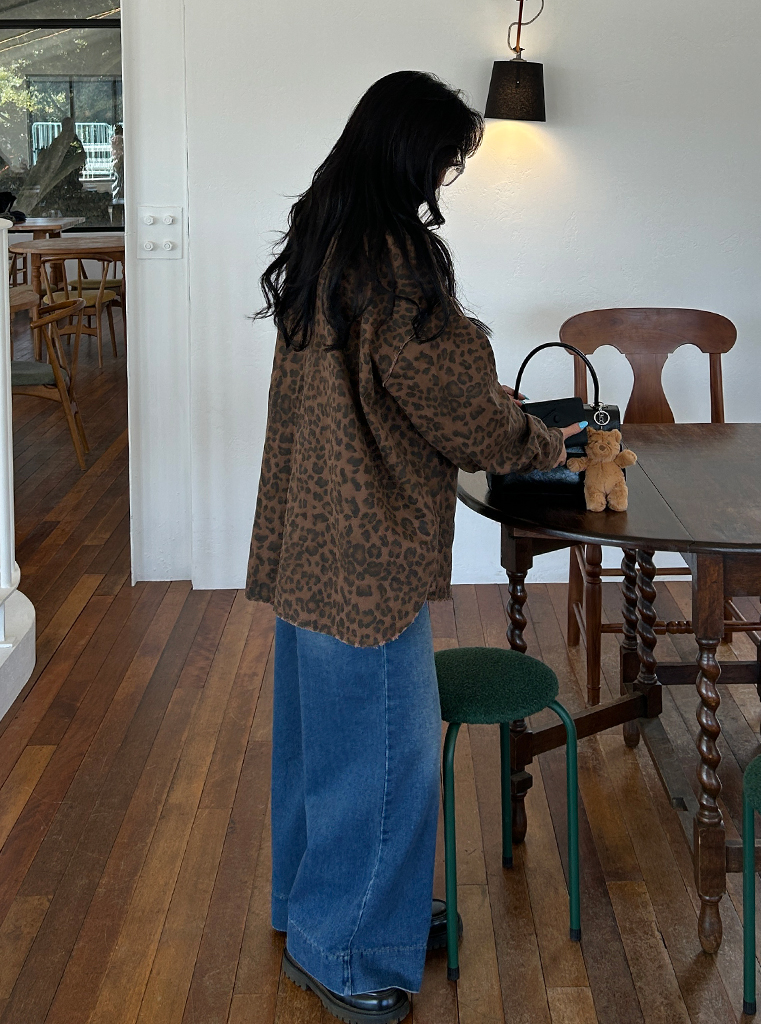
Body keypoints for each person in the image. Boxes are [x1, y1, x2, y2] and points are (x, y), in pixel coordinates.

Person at [246, 70, 582, 1024]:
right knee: (386, 760)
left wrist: (472, 386)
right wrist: (541, 440)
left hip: (309, 539)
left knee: (320, 750)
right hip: (367, 559)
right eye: (444, 158)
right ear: (408, 154)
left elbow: (401, 380)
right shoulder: (393, 260)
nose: (446, 175)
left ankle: (315, 912)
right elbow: (459, 416)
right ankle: (350, 947)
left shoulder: (326, 237)